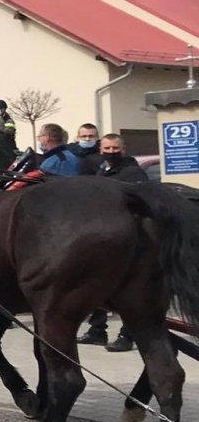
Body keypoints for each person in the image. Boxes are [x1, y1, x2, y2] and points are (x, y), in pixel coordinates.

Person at [81, 134, 150, 352]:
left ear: (123, 149)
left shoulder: (133, 173)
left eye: (115, 148)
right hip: (106, 236)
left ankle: (127, 335)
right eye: (107, 148)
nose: (111, 152)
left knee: (128, 289)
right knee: (99, 284)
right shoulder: (103, 171)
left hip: (130, 237)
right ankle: (97, 331)